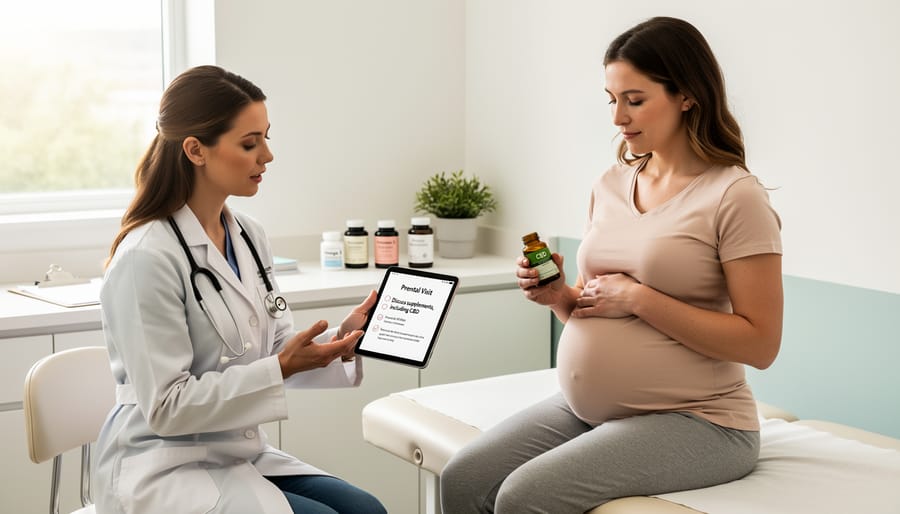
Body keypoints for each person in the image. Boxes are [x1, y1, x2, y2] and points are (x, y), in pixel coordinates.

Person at [441, 16, 783, 513]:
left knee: (522, 497)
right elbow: (588, 305)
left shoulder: (734, 196)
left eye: (635, 99)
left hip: (701, 421)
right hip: (592, 411)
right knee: (462, 478)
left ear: (687, 95)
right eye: (612, 99)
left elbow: (761, 343)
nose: (618, 117)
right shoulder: (611, 183)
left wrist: (640, 298)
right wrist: (558, 295)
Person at [95, 65, 387, 514]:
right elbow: (168, 407)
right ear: (196, 150)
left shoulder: (248, 235)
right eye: (250, 143)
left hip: (235, 452)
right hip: (161, 462)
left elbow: (273, 349)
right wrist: (282, 368)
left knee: (366, 510)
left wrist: (337, 343)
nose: (266, 156)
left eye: (266, 138)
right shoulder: (145, 258)